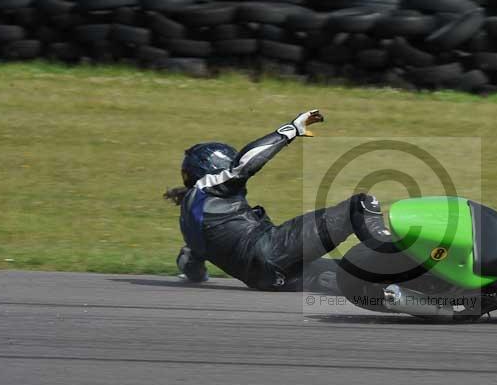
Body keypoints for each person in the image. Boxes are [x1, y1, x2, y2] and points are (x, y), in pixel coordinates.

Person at [163, 109, 390, 293]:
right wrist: (290, 131)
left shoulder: (189, 223)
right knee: (360, 206)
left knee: (353, 273)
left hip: (268, 280)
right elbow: (243, 166)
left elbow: (190, 266)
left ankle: (406, 293)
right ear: (211, 170)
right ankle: (394, 251)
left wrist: (198, 275)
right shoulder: (207, 187)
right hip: (273, 250)